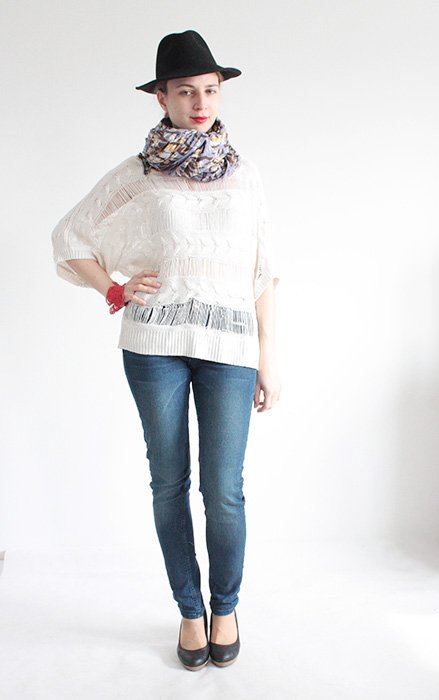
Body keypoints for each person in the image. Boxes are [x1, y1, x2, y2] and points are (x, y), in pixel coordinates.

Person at [51, 29, 281, 671]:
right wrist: (114, 288)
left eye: (210, 90)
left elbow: (264, 270)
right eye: (185, 91)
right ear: (161, 97)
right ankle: (189, 611)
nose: (200, 103)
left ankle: (225, 607)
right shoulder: (138, 174)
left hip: (229, 346)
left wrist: (268, 358)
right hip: (153, 345)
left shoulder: (245, 174)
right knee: (169, 481)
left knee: (224, 488)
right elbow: (69, 236)